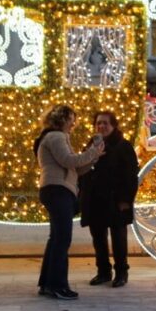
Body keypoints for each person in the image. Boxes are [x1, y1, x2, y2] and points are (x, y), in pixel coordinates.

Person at [34, 104, 103, 300]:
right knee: (62, 239)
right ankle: (57, 285)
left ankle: (48, 283)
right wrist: (92, 152)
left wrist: (93, 157)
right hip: (58, 190)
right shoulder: (56, 137)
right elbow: (68, 161)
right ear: (63, 119)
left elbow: (75, 169)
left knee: (56, 238)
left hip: (57, 189)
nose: (74, 123)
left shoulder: (55, 137)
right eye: (72, 118)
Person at [80, 111, 139, 288]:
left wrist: (126, 200)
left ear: (113, 125)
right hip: (95, 200)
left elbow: (130, 176)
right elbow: (84, 168)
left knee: (118, 238)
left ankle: (121, 271)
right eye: (98, 123)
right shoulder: (93, 144)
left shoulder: (123, 146)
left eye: (105, 123)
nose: (101, 126)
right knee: (98, 238)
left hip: (115, 200)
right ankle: (103, 271)